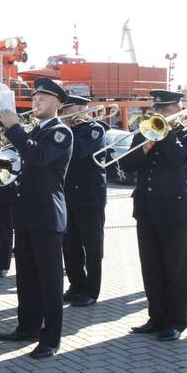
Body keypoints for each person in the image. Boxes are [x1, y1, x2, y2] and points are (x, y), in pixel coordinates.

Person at [119, 89, 187, 341]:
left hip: (176, 212)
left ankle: (175, 322)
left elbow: (183, 162)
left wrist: (165, 133)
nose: (159, 113)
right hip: (147, 210)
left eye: (165, 109)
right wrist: (146, 146)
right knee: (152, 267)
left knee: (177, 270)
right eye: (156, 109)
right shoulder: (144, 133)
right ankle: (156, 317)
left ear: (179, 109)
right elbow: (125, 166)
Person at [0, 78, 74, 359]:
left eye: (44, 98)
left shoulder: (60, 133)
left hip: (47, 215)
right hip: (26, 211)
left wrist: (14, 127)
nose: (36, 101)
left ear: (57, 104)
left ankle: (50, 338)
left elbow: (38, 157)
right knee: (26, 276)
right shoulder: (33, 130)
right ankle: (27, 327)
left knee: (49, 280)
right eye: (35, 97)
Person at [61, 95, 108, 307]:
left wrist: (63, 128)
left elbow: (76, 152)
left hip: (90, 197)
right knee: (70, 246)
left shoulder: (94, 129)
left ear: (81, 108)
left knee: (92, 248)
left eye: (68, 108)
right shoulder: (66, 130)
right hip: (68, 196)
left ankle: (91, 290)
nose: (63, 113)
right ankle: (76, 285)